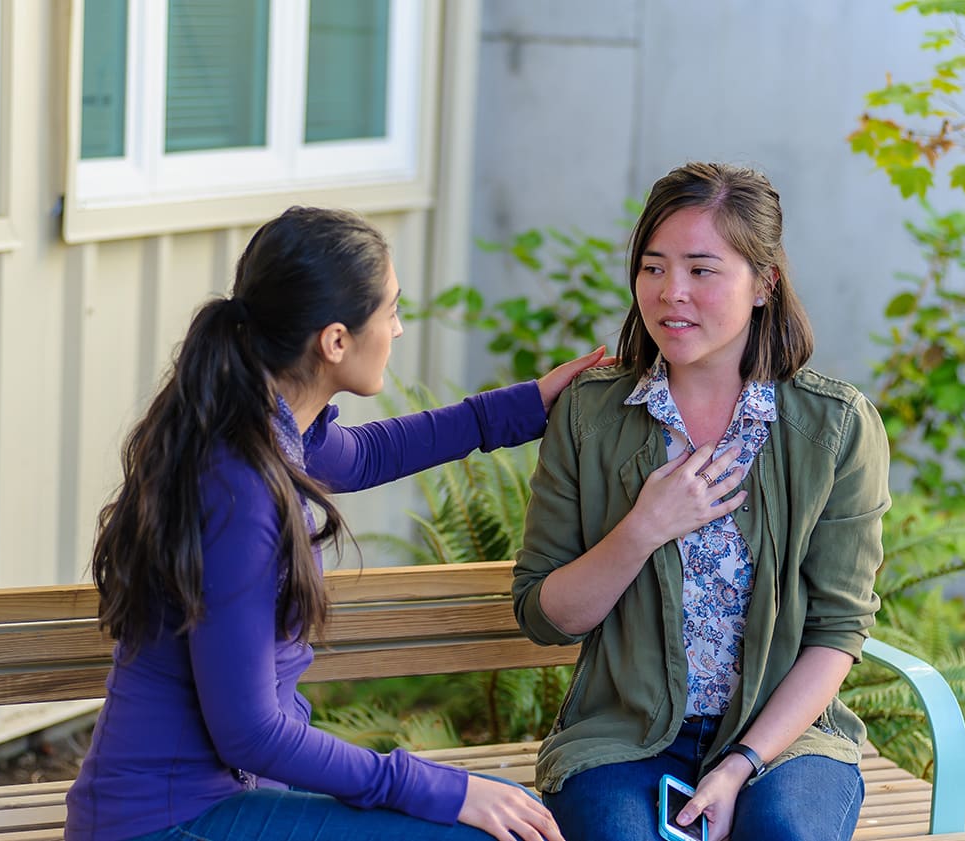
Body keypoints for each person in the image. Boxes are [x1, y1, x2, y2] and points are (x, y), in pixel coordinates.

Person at [65, 206, 607, 841]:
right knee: (491, 830)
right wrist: (436, 786)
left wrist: (529, 405)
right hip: (166, 821)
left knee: (512, 811)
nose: (399, 330)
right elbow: (250, 730)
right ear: (336, 340)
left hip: (219, 799)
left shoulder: (259, 427)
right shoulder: (240, 489)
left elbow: (370, 453)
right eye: (392, 311)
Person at [512, 162, 891, 841]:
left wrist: (742, 762)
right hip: (624, 739)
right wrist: (643, 529)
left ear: (763, 282)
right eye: (653, 267)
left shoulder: (835, 426)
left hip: (785, 742)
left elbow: (838, 629)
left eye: (700, 269)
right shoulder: (590, 417)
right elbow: (546, 616)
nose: (670, 293)